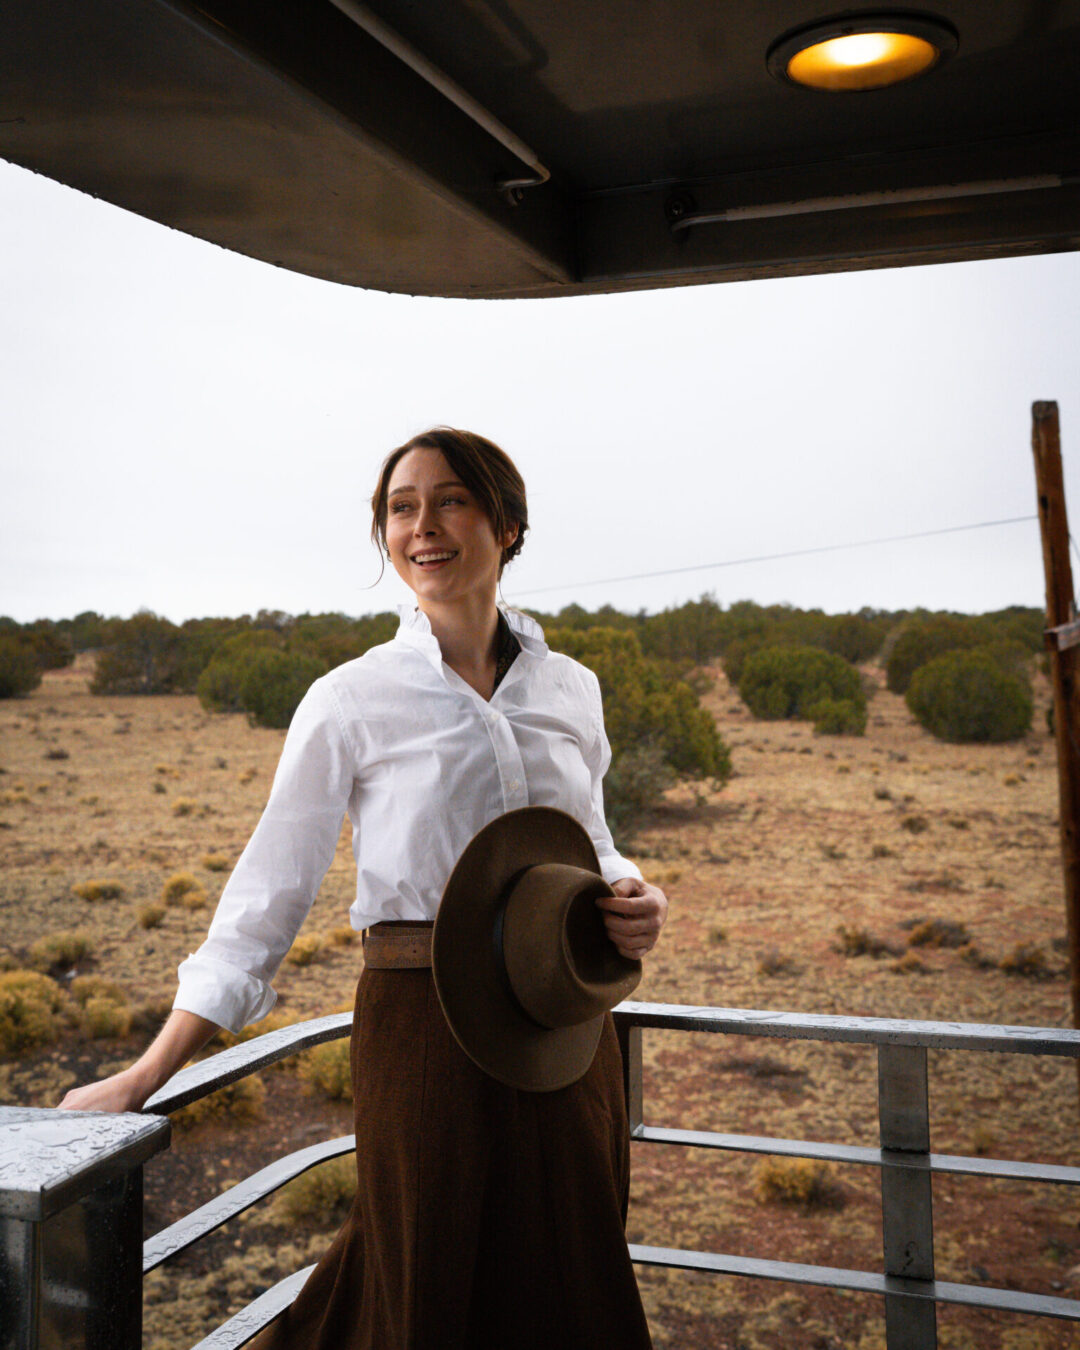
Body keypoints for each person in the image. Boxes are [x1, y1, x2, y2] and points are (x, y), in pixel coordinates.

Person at [59, 427, 668, 1349]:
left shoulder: (572, 688)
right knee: (421, 1273)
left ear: (506, 523)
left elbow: (590, 837)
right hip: (425, 1024)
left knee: (573, 1270)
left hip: (565, 1024)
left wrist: (628, 891)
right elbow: (269, 892)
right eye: (400, 507)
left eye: (451, 500)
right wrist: (150, 1071)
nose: (423, 525)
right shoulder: (351, 698)